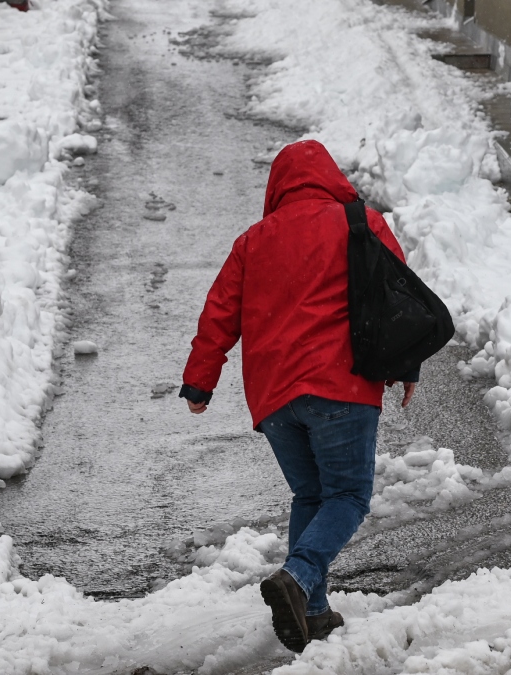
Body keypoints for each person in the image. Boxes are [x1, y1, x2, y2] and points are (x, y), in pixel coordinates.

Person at [179, 139, 418, 653]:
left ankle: (311, 610)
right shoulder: (361, 223)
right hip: (342, 386)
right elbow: (398, 299)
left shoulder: (253, 240)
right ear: (331, 177)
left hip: (275, 401)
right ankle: (298, 575)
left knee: (311, 495)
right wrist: (407, 365)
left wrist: (200, 381)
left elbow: (219, 312)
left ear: (278, 187)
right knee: (349, 496)